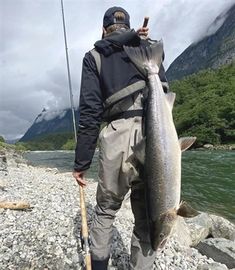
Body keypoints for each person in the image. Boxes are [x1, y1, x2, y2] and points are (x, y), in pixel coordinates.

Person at [73, 6, 169, 270]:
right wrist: (142, 42)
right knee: (147, 215)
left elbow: (90, 112)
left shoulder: (94, 56)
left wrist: (81, 162)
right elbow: (164, 86)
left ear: (104, 30)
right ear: (128, 28)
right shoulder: (148, 49)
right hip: (156, 131)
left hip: (118, 134)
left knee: (105, 211)